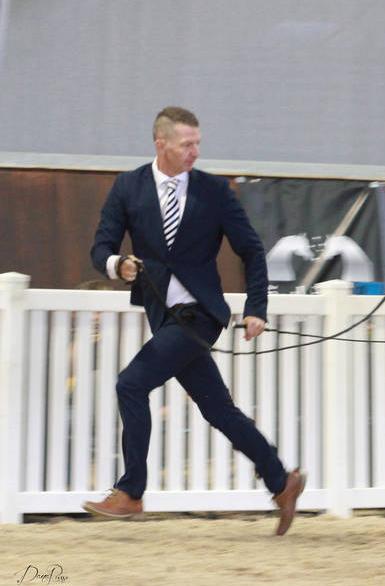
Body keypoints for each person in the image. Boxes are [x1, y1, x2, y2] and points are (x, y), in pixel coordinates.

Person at [83, 106, 305, 536]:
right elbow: (102, 245)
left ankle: (130, 493)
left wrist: (257, 307)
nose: (195, 152)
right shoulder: (128, 186)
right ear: (160, 144)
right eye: (187, 144)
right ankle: (281, 481)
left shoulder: (214, 191)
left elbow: (252, 250)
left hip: (200, 315)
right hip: (164, 318)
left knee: (130, 384)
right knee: (218, 410)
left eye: (198, 143)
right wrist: (117, 264)